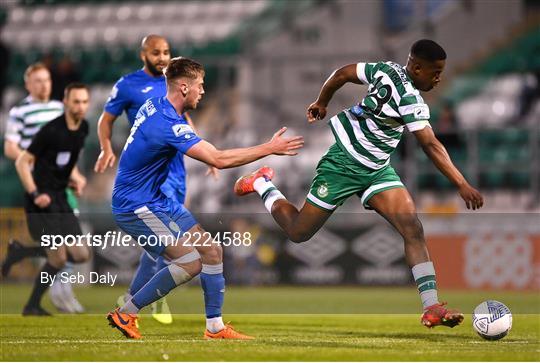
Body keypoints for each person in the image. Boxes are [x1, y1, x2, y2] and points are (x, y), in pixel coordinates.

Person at [235, 39, 484, 328]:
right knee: (298, 232)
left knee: (412, 228)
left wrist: (322, 102)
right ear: (416, 67)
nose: (439, 77)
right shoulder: (411, 100)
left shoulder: (386, 70)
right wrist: (461, 183)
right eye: (435, 71)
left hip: (377, 169)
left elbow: (343, 73)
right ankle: (262, 183)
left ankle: (431, 308)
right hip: (344, 163)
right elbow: (430, 144)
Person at [107, 56, 303, 339]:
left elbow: (185, 131)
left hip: (156, 199)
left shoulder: (156, 106)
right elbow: (220, 159)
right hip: (135, 205)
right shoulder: (165, 123)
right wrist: (269, 147)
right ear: (184, 88)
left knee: (211, 252)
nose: (203, 91)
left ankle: (215, 328)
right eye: (200, 85)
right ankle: (127, 313)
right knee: (189, 262)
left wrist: (203, 148)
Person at [94, 34, 216, 324]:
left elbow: (185, 119)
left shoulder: (172, 89)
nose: (162, 57)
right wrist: (105, 148)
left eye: (166, 52)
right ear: (143, 55)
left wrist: (207, 150)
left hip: (175, 171)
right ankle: (137, 303)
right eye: (156, 52)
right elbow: (105, 119)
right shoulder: (128, 86)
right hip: (150, 176)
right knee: (172, 247)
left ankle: (146, 300)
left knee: (178, 244)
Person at [2, 63, 85, 314]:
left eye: (46, 80)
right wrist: (35, 160)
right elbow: (10, 148)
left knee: (78, 252)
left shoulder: (60, 108)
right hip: (39, 183)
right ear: (28, 84)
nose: (43, 85)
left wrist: (76, 175)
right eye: (37, 81)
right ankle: (42, 299)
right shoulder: (20, 112)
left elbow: (65, 150)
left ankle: (22, 252)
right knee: (59, 253)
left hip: (60, 184)